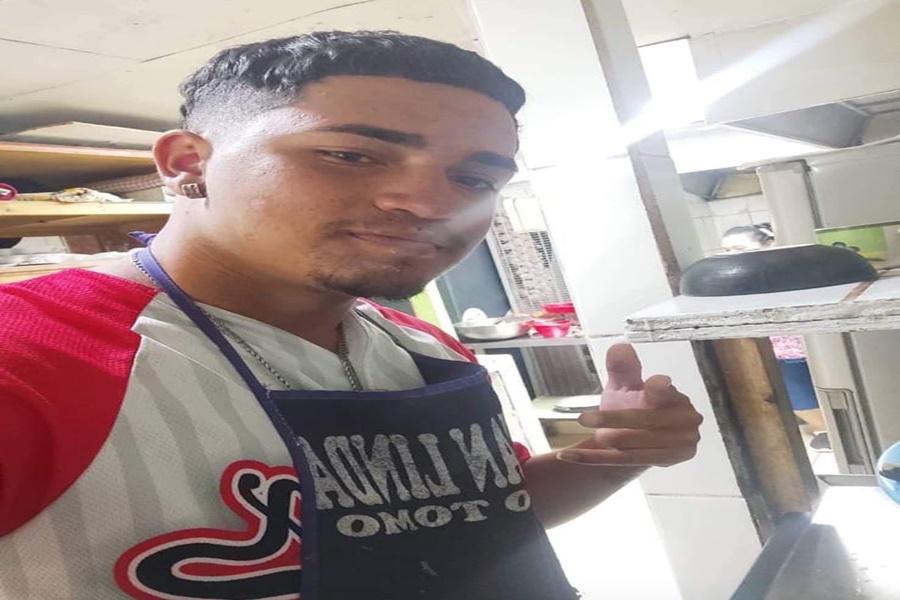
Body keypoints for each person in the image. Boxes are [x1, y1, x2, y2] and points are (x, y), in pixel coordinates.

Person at [0, 31, 703, 599]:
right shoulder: (30, 362)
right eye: (351, 155)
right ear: (188, 164)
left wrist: (611, 459)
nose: (430, 204)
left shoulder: (425, 350)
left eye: (475, 178)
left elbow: (470, 520)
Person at [720, 223, 829, 448]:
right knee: (802, 400)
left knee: (825, 395)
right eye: (727, 250)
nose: (732, 255)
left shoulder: (791, 270)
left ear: (769, 244)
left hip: (814, 345)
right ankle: (826, 434)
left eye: (738, 248)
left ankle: (827, 434)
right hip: (782, 353)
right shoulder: (739, 278)